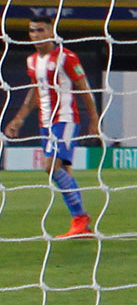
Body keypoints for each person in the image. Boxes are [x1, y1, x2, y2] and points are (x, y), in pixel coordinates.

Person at [3, 16, 100, 238]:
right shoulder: (32, 61)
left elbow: (84, 88)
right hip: (45, 123)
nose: (35, 35)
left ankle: (81, 218)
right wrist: (19, 118)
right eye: (31, 31)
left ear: (50, 32)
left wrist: (94, 119)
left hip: (65, 119)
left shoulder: (66, 57)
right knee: (63, 171)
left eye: (39, 30)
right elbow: (34, 92)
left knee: (50, 166)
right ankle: (81, 226)